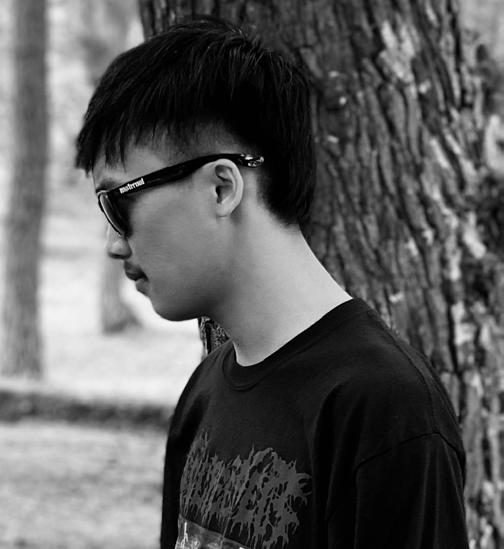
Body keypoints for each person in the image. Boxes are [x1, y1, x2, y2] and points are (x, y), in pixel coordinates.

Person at [76, 16, 470, 549]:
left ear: (221, 188)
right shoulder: (206, 390)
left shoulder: (385, 409)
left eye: (117, 203)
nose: (113, 243)